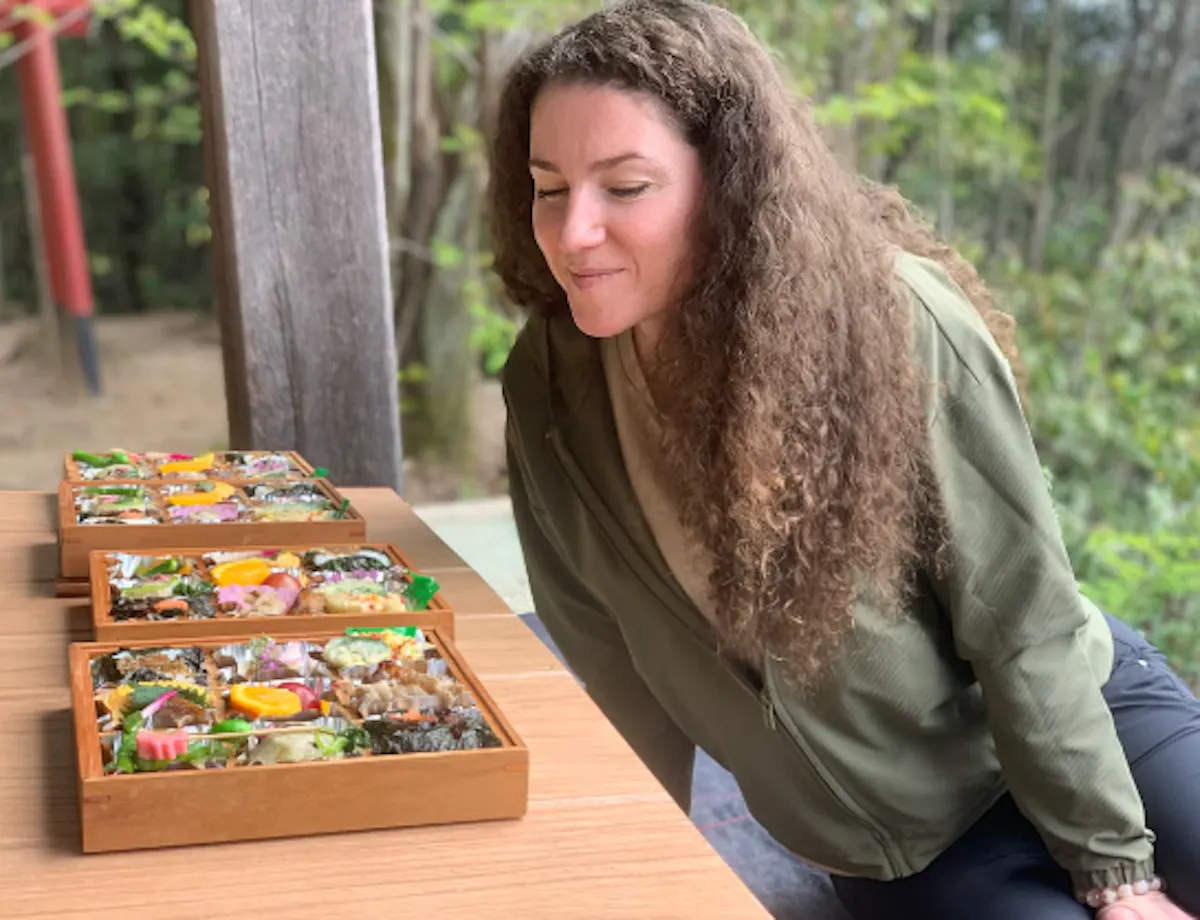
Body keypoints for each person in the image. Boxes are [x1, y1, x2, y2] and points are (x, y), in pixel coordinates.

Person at [485, 1, 1200, 917]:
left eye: (624, 188)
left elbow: (1019, 615)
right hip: (904, 836)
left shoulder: (895, 319)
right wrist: (630, 877)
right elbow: (615, 676)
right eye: (550, 187)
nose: (574, 230)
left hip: (1087, 717)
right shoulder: (551, 389)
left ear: (729, 182)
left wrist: (1115, 869)